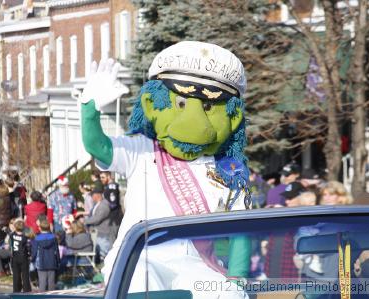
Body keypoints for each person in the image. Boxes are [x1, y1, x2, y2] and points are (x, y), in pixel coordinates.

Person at [75, 42, 251, 297]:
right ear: (152, 102)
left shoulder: (231, 170)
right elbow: (97, 146)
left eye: (209, 106)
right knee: (141, 286)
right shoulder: (142, 150)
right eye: (181, 102)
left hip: (196, 262)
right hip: (140, 257)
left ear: (232, 116)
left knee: (228, 295)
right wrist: (89, 107)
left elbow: (241, 231)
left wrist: (237, 278)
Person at [84, 186, 117, 259]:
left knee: (104, 254)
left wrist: (84, 221)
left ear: (97, 195)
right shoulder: (97, 204)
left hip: (103, 234)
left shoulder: (104, 205)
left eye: (92, 195)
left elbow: (97, 218)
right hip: (98, 234)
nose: (91, 197)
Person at [31, 218, 60, 292]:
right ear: (49, 227)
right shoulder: (53, 238)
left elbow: (34, 251)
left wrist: (32, 259)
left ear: (40, 228)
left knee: (42, 282)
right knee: (51, 282)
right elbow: (57, 250)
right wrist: (58, 261)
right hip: (52, 262)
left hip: (41, 263)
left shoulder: (37, 238)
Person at [10, 219, 31, 293]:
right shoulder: (24, 237)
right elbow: (28, 247)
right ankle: (26, 290)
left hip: (15, 257)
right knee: (25, 275)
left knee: (16, 276)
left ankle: (16, 290)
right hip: (23, 257)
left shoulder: (12, 235)